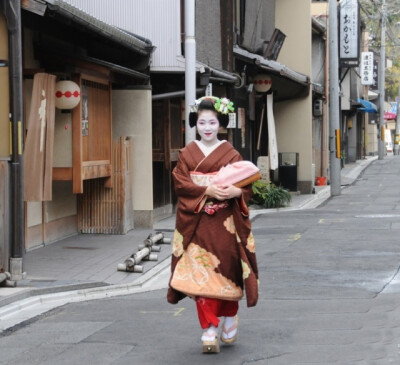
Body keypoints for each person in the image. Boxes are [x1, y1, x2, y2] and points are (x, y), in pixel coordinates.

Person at [167, 96, 258, 354]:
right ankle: (209, 328)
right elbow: (181, 185)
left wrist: (235, 193)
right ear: (196, 124)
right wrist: (206, 190)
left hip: (225, 223)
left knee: (226, 272)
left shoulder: (231, 153)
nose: (207, 127)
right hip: (196, 224)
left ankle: (230, 314)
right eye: (202, 122)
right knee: (201, 275)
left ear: (221, 124)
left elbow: (245, 186)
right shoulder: (187, 154)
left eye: (212, 122)